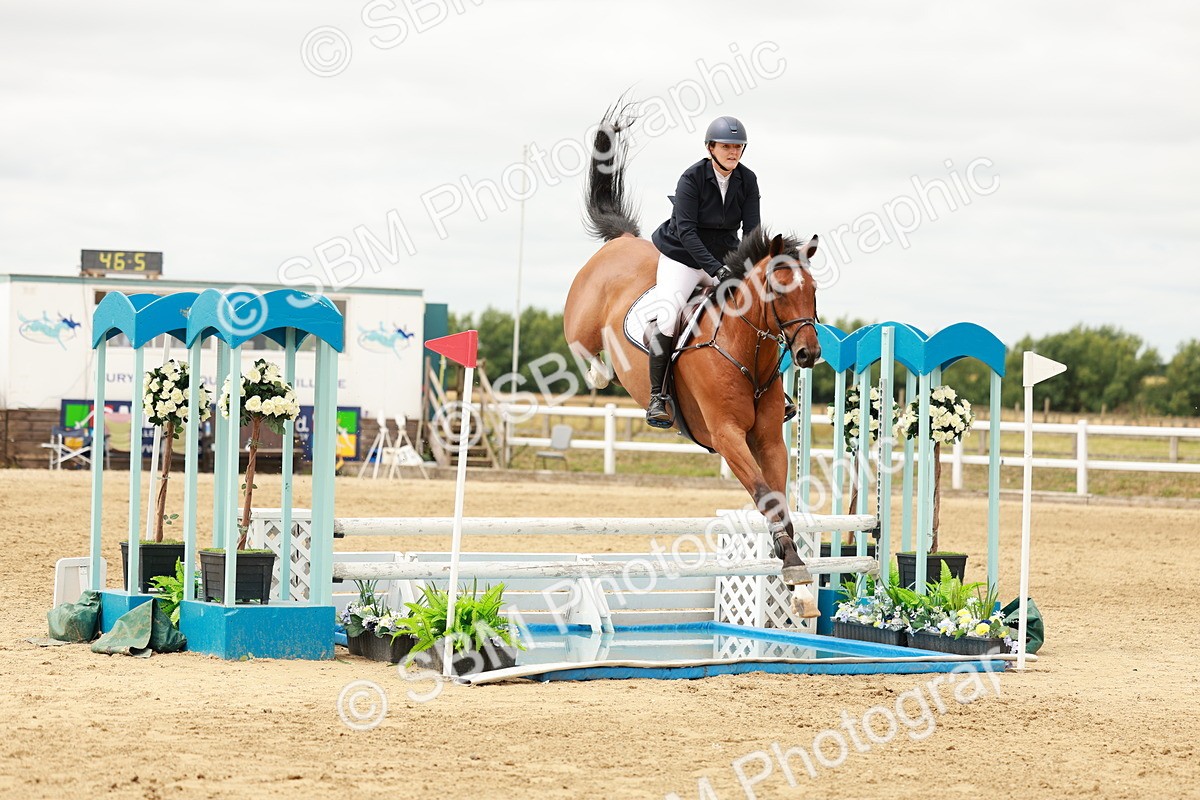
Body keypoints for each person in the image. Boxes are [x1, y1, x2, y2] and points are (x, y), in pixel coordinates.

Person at [645, 116, 759, 428]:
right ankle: (658, 396)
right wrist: (716, 270)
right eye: (726, 146)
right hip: (682, 256)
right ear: (710, 148)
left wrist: (746, 269)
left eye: (737, 147)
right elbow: (686, 232)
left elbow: (751, 231)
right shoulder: (691, 178)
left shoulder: (747, 180)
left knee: (756, 308)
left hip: (724, 256)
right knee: (668, 316)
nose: (732, 152)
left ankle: (766, 389)